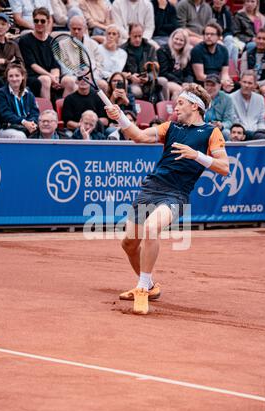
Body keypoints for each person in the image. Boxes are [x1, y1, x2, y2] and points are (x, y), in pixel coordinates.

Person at [105, 83, 229, 314]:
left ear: (195, 105)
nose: (175, 107)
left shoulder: (211, 132)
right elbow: (140, 136)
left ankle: (141, 288)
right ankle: (150, 285)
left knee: (152, 228)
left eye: (180, 103)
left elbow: (224, 167)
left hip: (176, 194)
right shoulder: (170, 127)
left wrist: (198, 156)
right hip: (152, 187)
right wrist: (120, 117)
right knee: (129, 244)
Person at [19, 7, 75, 99]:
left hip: (50, 75)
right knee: (46, 80)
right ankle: (47, 112)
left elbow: (55, 65)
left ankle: (63, 111)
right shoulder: (25, 40)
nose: (39, 24)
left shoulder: (52, 42)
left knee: (70, 81)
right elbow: (32, 65)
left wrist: (55, 78)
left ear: (48, 22)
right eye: (36, 21)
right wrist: (50, 77)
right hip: (33, 76)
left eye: (42, 21)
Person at [122, 23, 169, 100]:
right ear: (129, 34)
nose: (137, 39)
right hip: (131, 82)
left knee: (163, 81)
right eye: (135, 36)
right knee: (136, 91)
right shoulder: (122, 49)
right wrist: (130, 77)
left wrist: (149, 77)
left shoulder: (150, 48)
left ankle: (165, 107)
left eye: (140, 36)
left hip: (148, 80)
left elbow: (155, 68)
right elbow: (121, 71)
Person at [60, 15, 107, 93]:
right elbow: (64, 67)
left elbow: (100, 65)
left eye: (79, 29)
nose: (76, 31)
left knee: (103, 84)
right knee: (69, 81)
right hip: (72, 76)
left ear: (85, 29)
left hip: (91, 77)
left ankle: (101, 105)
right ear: (69, 28)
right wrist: (79, 76)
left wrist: (90, 76)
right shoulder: (62, 45)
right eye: (74, 28)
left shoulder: (93, 44)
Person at [0, 62, 39, 138]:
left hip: (26, 126)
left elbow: (35, 112)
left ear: (23, 77)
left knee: (44, 132)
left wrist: (31, 123)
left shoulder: (29, 93)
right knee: (20, 136)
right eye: (11, 76)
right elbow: (6, 114)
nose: (14, 79)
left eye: (17, 76)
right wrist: (24, 122)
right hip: (7, 128)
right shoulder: (1, 93)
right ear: (7, 78)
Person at [0, 12, 24, 93]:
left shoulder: (13, 45)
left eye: (3, 24)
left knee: (33, 82)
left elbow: (20, 64)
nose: (0, 26)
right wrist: (10, 62)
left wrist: (4, 61)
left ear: (8, 27)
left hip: (12, 77)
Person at [157, 28, 193, 100]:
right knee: (180, 91)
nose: (178, 42)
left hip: (181, 82)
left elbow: (189, 73)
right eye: (176, 39)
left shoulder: (186, 54)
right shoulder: (163, 51)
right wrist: (180, 83)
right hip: (167, 81)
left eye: (181, 40)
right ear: (172, 38)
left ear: (185, 43)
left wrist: (187, 82)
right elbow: (163, 72)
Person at [204, 73, 235, 140]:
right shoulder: (200, 97)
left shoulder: (227, 99)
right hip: (202, 127)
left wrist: (222, 125)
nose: (209, 88)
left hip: (219, 128)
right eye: (207, 85)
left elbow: (229, 121)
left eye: (213, 85)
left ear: (220, 86)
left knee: (226, 133)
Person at [211, 0, 239, 68]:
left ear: (225, 1)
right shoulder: (208, 11)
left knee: (235, 48)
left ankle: (234, 72)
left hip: (223, 37)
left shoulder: (227, 13)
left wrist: (222, 36)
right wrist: (218, 37)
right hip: (211, 36)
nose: (218, 1)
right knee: (231, 44)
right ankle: (223, 66)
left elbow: (229, 30)